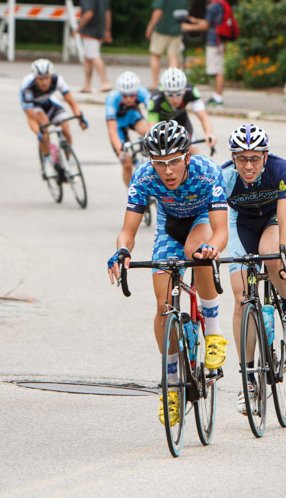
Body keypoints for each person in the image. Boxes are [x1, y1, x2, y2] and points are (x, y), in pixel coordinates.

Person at [107, 120, 228, 427]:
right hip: (169, 227)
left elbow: (221, 232)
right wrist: (122, 251)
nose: (167, 171)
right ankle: (171, 384)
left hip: (201, 220)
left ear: (187, 156)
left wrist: (212, 249)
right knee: (163, 306)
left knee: (195, 251)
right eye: (160, 163)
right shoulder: (144, 176)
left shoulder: (207, 172)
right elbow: (127, 232)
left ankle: (213, 333)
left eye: (174, 161)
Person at [221, 124, 286, 414]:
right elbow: (214, 221)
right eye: (242, 159)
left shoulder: (280, 169)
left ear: (265, 157)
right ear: (233, 157)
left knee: (270, 253)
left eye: (254, 158)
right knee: (242, 298)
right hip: (240, 223)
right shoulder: (224, 177)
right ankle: (248, 378)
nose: (248, 166)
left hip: (273, 219)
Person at [20, 58, 87, 180]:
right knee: (44, 125)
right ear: (35, 78)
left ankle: (67, 163)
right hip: (35, 107)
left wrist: (80, 118)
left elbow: (72, 102)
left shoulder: (58, 80)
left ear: (51, 76)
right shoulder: (27, 86)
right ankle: (46, 162)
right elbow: (30, 117)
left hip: (50, 102)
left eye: (47, 78)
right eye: (40, 79)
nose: (44, 82)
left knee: (66, 130)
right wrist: (38, 132)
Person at [147, 67, 216, 153]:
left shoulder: (190, 91)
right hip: (162, 125)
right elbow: (152, 126)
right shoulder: (156, 98)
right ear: (164, 92)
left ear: (184, 91)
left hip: (181, 121)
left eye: (178, 94)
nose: (175, 99)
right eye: (170, 95)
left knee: (193, 151)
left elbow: (203, 117)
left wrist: (209, 133)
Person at [105, 71, 151, 186]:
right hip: (118, 124)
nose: (129, 99)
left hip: (132, 116)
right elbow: (112, 130)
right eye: (125, 96)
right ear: (120, 93)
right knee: (126, 162)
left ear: (137, 91)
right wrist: (120, 152)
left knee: (146, 131)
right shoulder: (112, 99)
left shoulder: (143, 93)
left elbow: (153, 116)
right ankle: (132, 191)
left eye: (132, 95)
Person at [181, 0, 225, 106]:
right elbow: (210, 22)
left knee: (217, 70)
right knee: (217, 69)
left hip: (214, 42)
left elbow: (205, 26)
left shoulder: (213, 6)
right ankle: (217, 95)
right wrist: (196, 20)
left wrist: (189, 27)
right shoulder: (219, 3)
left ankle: (218, 97)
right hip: (219, 41)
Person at [145, 0, 189, 89]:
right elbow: (185, 13)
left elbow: (158, 12)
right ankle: (173, 83)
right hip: (177, 31)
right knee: (173, 57)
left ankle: (155, 84)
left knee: (155, 56)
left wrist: (150, 27)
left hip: (161, 30)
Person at [74, 0, 112, 93]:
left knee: (94, 56)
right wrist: (107, 30)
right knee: (87, 58)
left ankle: (105, 83)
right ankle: (87, 85)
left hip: (90, 31)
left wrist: (78, 27)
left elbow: (88, 13)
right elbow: (107, 14)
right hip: (100, 30)